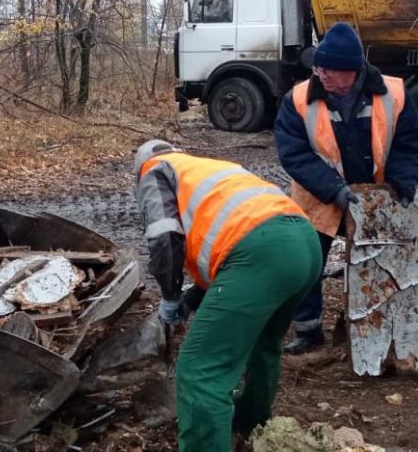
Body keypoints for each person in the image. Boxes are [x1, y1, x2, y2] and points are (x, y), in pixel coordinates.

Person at [133, 139, 321, 452]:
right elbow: (222, 246)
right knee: (264, 344)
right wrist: (189, 301)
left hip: (261, 251)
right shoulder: (210, 168)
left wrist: (169, 296)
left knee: (199, 369)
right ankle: (252, 428)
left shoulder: (154, 172)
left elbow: (164, 238)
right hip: (303, 242)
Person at [274, 22, 418, 355]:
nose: (322, 76)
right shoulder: (298, 99)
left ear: (353, 71)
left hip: (378, 195)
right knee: (305, 263)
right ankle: (308, 330)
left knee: (383, 260)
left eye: (330, 70)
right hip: (318, 197)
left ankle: (381, 325)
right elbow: (294, 155)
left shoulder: (394, 94)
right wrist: (335, 189)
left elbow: (411, 145)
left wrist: (399, 188)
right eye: (318, 68)